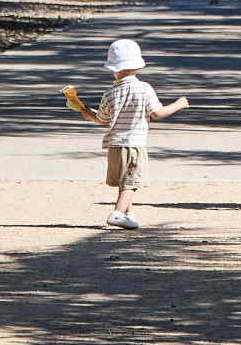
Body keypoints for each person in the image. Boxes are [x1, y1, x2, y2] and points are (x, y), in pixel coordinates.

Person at [69, 39, 190, 229]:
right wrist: (179, 104)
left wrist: (86, 111)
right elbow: (157, 113)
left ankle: (128, 213)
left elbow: (101, 119)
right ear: (137, 66)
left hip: (114, 145)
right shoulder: (144, 88)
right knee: (131, 182)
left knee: (124, 180)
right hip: (134, 143)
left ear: (112, 68)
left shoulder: (110, 93)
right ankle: (117, 214)